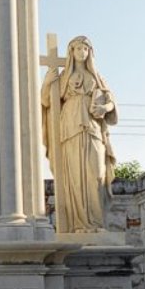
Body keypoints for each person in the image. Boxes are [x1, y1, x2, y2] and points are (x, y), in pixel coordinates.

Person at [41, 35, 117, 232]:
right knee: (74, 176)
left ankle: (97, 223)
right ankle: (79, 224)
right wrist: (48, 83)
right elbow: (47, 102)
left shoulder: (97, 77)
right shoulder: (63, 76)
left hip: (92, 128)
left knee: (96, 174)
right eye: (78, 48)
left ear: (90, 52)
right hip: (70, 126)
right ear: (71, 52)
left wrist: (105, 108)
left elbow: (111, 101)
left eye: (85, 48)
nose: (82, 52)